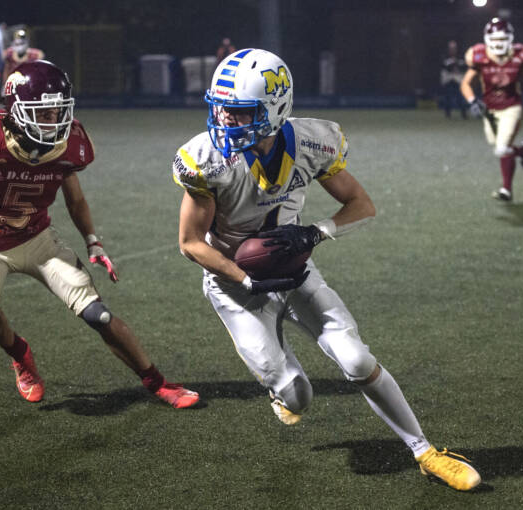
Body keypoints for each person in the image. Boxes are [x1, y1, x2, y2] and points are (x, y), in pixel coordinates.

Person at [173, 48, 481, 491]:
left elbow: (361, 205)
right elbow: (189, 243)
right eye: (221, 108)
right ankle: (283, 386)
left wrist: (314, 233)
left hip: (294, 271)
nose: (225, 120)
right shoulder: (206, 158)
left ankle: (425, 452)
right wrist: (247, 278)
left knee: (357, 359)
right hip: (234, 285)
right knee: (298, 396)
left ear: (274, 109)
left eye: (239, 111)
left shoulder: (311, 142)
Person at [0, 60, 199, 409]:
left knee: (98, 314)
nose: (53, 121)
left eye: (57, 111)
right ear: (16, 110)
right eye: (43, 112)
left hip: (37, 240)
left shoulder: (67, 145)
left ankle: (158, 383)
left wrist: (93, 241)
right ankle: (20, 354)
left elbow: (75, 199)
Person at [460, 17, 523, 202]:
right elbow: (465, 83)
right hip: (490, 110)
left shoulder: (520, 55)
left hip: (512, 106)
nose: (498, 43)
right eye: (495, 39)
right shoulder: (479, 56)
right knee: (498, 146)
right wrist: (472, 101)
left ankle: (506, 190)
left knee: (502, 149)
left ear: (510, 39)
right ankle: (522, 151)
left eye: (502, 39)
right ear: (487, 40)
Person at [440, 40, 467, 119]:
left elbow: (464, 65)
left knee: (460, 97)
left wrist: (457, 65)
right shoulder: (445, 56)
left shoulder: (460, 56)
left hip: (458, 79)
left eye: (454, 48)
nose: (452, 50)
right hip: (448, 79)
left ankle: (463, 114)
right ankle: (447, 113)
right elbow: (444, 66)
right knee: (448, 97)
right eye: (451, 48)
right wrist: (453, 65)